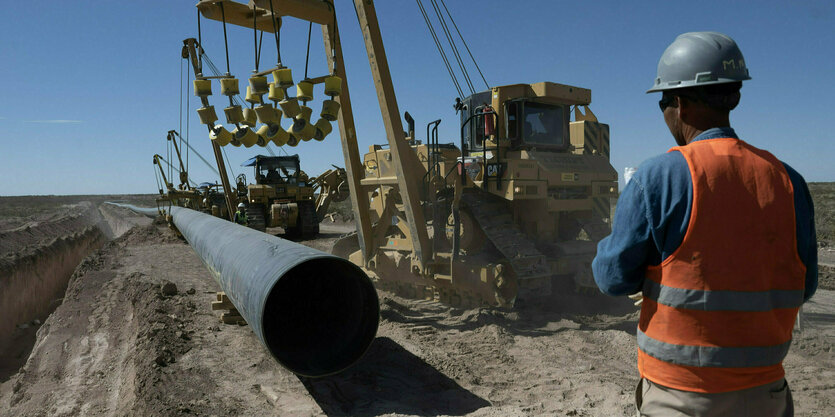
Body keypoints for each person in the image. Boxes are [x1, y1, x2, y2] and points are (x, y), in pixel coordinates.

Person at [592, 31, 817, 416]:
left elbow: (612, 278)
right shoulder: (789, 181)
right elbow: (805, 284)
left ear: (677, 103)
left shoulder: (658, 177)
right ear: (734, 96)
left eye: (662, 102)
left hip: (679, 398)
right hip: (766, 395)